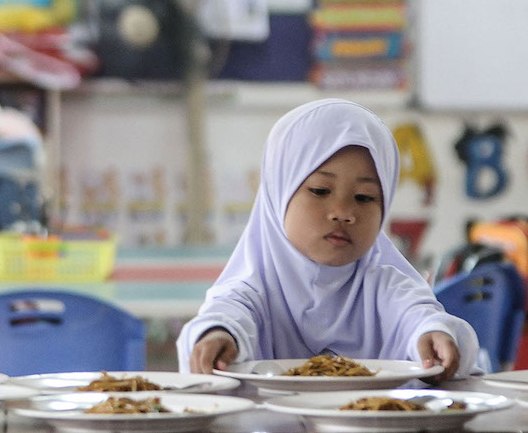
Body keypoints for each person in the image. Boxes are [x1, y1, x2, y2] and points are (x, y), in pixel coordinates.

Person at [176, 98, 479, 380]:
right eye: (320, 191)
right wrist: (218, 334)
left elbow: (420, 316)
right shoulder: (254, 289)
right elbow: (228, 313)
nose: (343, 213)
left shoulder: (386, 286)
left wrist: (435, 333)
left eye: (364, 197)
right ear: (279, 193)